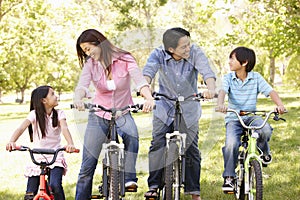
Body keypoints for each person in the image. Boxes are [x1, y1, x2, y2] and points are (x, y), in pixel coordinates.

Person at [73, 29, 154, 200]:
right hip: (99, 114)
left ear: (99, 42)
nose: (88, 54)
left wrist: (149, 98)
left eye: (88, 49)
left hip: (122, 112)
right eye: (84, 51)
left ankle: (128, 178)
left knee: (132, 137)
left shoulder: (125, 58)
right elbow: (82, 85)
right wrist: (79, 98)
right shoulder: (91, 64)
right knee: (87, 165)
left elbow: (140, 82)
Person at [143, 27, 217, 200]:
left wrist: (211, 88)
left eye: (188, 44)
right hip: (164, 105)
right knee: (157, 143)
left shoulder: (195, 52)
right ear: (171, 50)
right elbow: (147, 74)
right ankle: (154, 185)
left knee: (192, 148)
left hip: (189, 105)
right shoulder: (158, 54)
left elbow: (207, 72)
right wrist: (145, 91)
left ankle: (194, 191)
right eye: (184, 46)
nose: (188, 49)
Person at [216, 46, 286, 192]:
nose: (229, 61)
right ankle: (229, 177)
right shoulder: (228, 78)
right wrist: (220, 104)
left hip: (252, 116)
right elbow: (223, 91)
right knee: (231, 143)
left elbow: (270, 91)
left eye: (232, 58)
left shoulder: (256, 78)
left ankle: (264, 152)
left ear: (244, 62)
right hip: (234, 118)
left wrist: (280, 105)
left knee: (265, 129)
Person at [6, 85, 77, 200]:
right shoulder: (34, 114)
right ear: (44, 100)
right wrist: (11, 142)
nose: (56, 96)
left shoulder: (59, 114)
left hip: (55, 156)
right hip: (37, 157)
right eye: (52, 94)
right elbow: (21, 128)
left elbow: (64, 128)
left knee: (55, 185)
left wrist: (70, 144)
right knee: (30, 194)